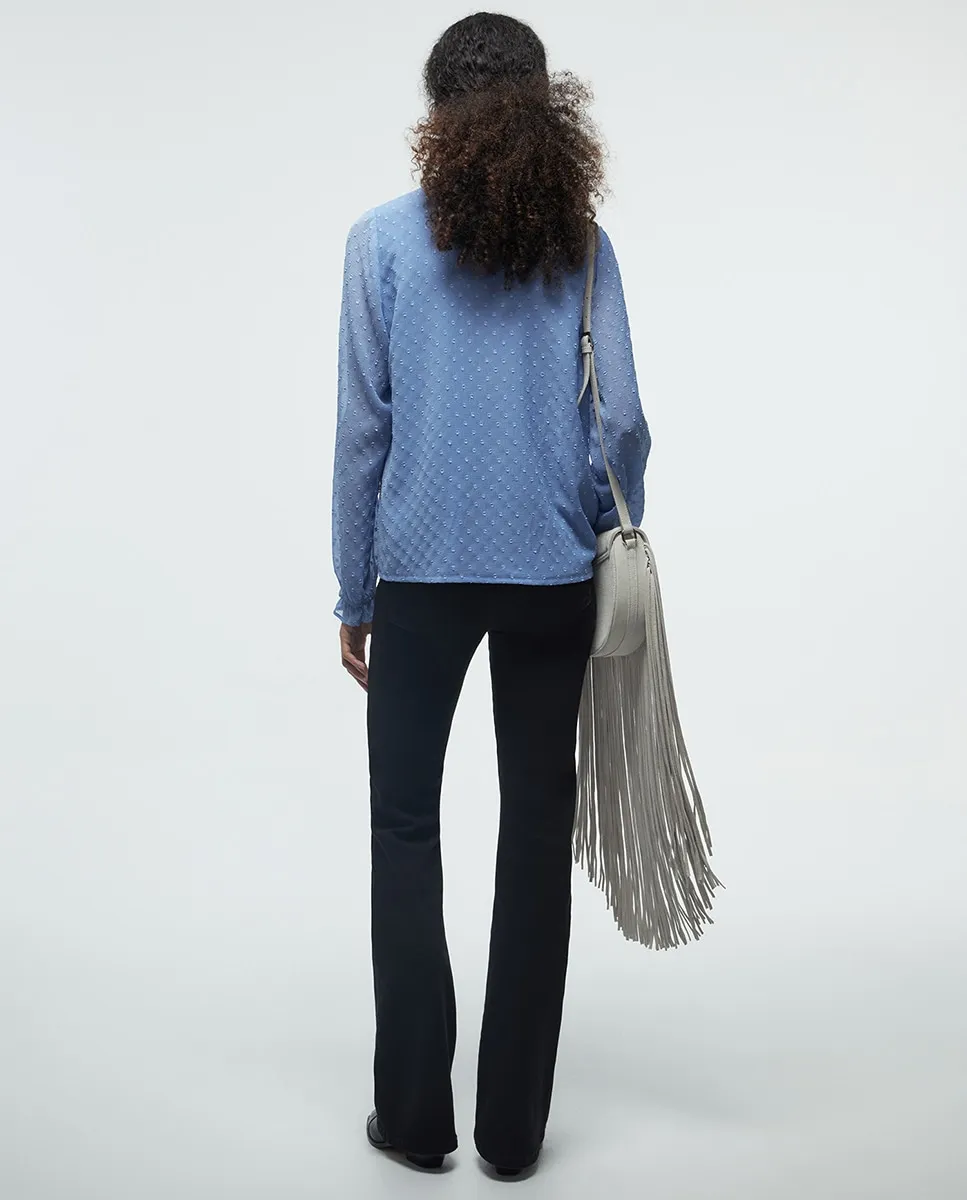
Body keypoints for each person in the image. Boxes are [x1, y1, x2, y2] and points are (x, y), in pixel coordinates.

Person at [330, 11, 651, 1178]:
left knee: (403, 828)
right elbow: (619, 420)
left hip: (416, 573)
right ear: (545, 108)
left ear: (435, 114)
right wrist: (603, 521)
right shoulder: (582, 245)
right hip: (551, 572)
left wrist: (351, 586)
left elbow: (364, 431)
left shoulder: (379, 241)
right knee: (535, 830)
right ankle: (513, 1136)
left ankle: (415, 1121)